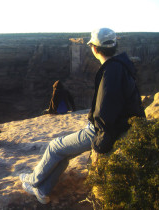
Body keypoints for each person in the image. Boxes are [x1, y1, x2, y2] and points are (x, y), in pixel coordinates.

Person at [18, 28, 146, 204]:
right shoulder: (121, 65)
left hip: (100, 131)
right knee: (65, 153)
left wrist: (100, 144)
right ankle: (42, 190)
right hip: (115, 127)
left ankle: (33, 181)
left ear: (94, 48)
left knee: (54, 146)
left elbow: (104, 111)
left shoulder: (111, 72)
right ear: (115, 46)